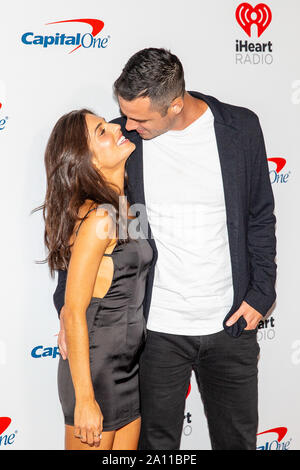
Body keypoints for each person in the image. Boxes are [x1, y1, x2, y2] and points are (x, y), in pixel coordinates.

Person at [54, 48, 276, 450]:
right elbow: (82, 221)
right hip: (156, 332)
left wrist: (262, 294)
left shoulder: (240, 129)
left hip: (230, 327)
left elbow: (260, 215)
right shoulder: (125, 143)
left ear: (174, 105)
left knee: (238, 442)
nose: (127, 126)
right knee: (155, 449)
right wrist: (69, 309)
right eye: (123, 115)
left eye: (139, 118)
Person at [43, 108, 153, 450]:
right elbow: (74, 311)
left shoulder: (127, 210)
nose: (117, 129)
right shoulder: (99, 219)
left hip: (128, 368)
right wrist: (85, 399)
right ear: (87, 161)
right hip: (95, 373)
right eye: (102, 132)